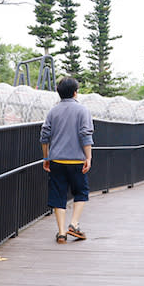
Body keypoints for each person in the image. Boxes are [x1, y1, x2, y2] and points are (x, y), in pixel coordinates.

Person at [40, 77, 94, 244]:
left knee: (58, 195)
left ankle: (62, 232)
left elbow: (44, 136)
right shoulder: (82, 110)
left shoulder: (53, 111)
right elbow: (85, 134)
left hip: (56, 160)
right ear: (75, 92)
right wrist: (88, 157)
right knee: (81, 192)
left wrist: (46, 157)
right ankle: (74, 223)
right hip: (77, 160)